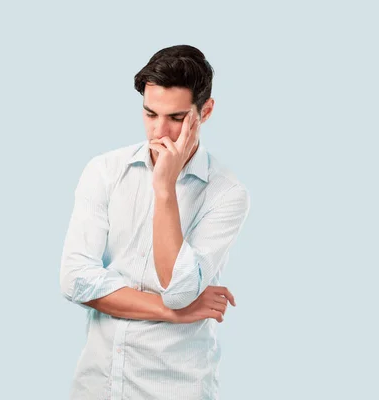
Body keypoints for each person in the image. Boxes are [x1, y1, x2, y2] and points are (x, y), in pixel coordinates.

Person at [59, 44, 251, 400]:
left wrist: (165, 189)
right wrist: (174, 313)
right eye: (150, 114)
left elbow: (178, 289)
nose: (159, 132)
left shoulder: (226, 194)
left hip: (174, 388)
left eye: (176, 119)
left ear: (205, 112)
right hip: (97, 385)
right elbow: (75, 279)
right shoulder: (104, 171)